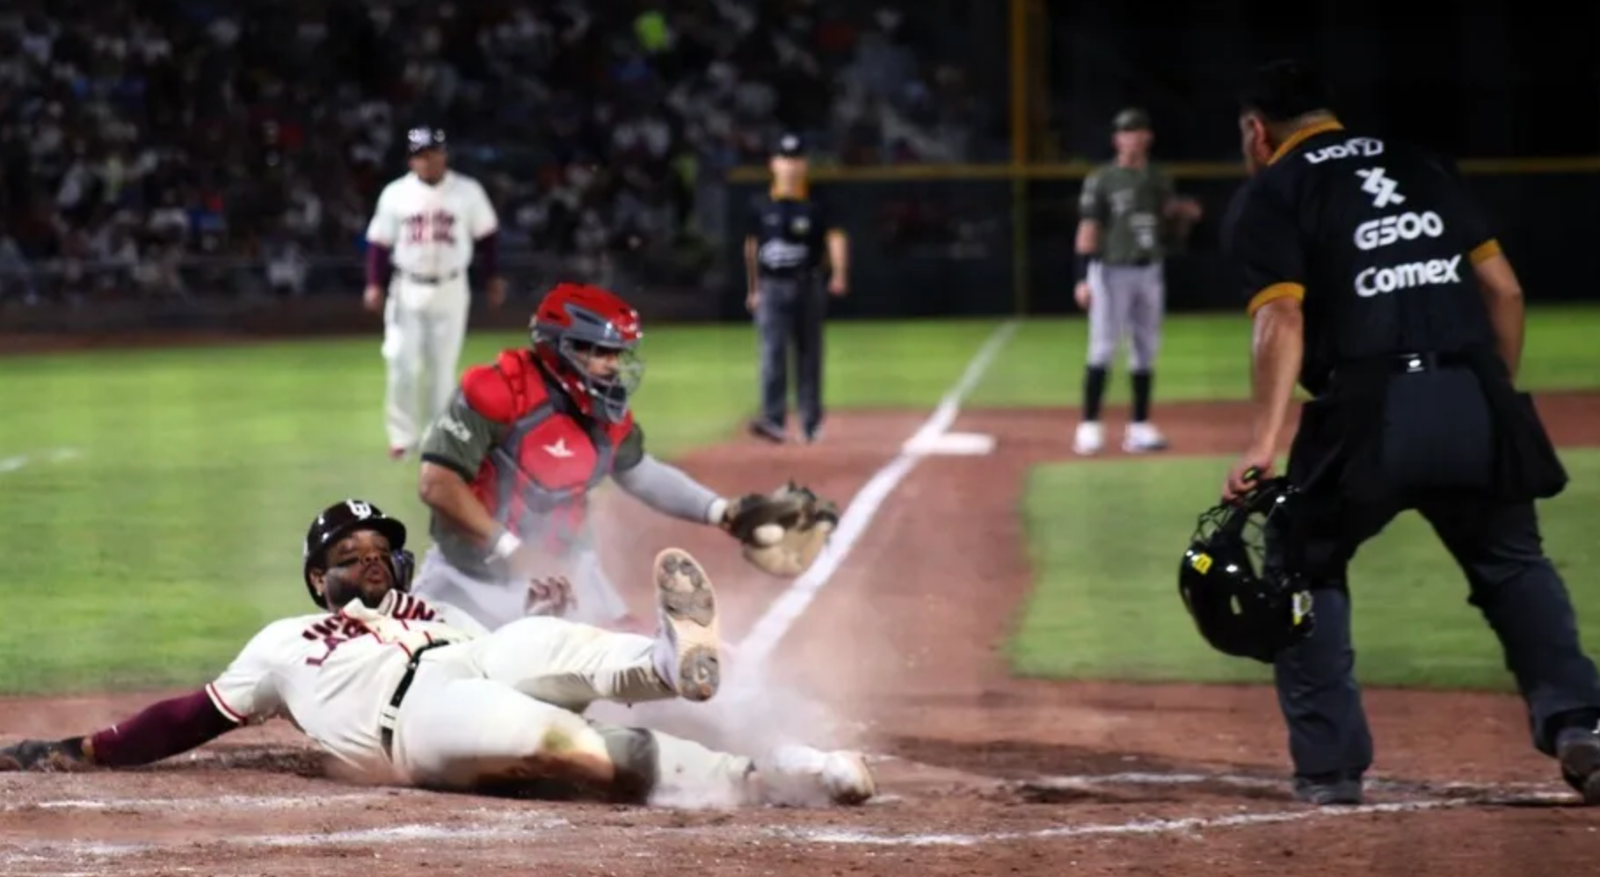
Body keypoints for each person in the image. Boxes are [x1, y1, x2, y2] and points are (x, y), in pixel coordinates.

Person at [1217, 59, 1600, 807]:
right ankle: (1581, 722)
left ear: (1258, 132)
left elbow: (1282, 317)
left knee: (1302, 560)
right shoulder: (1419, 163)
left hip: (1367, 408)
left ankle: (1330, 769)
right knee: (1512, 561)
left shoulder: (1275, 190)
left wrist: (1262, 443)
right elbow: (1504, 290)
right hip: (1473, 389)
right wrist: (1491, 394)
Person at [0, 499, 875, 808]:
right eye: (350, 554)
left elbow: (513, 642)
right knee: (565, 743)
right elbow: (188, 715)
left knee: (547, 642)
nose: (371, 560)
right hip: (417, 718)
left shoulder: (435, 605)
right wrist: (84, 748)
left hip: (479, 655)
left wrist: (542, 608)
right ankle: (766, 779)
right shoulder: (283, 643)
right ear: (316, 578)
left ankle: (668, 662)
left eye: (382, 548)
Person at [412, 280, 839, 633]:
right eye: (602, 352)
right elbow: (437, 484)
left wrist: (721, 512)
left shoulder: (604, 413)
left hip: (568, 578)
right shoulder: (498, 389)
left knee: (643, 682)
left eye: (617, 353)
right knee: (420, 677)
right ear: (562, 348)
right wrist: (515, 551)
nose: (613, 366)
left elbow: (639, 473)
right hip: (466, 580)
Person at [364, 126, 508, 461]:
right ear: (410, 160)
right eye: (419, 155)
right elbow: (379, 243)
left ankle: (437, 436)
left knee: (442, 369)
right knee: (400, 362)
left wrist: (492, 277)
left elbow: (487, 237)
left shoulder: (467, 191)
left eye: (432, 153)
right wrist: (374, 283)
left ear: (444, 155)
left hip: (451, 287)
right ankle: (402, 436)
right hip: (406, 287)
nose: (426, 160)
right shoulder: (395, 194)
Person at [1071, 108, 1202, 456]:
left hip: (1149, 269)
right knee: (1102, 347)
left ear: (1148, 137)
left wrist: (1183, 217)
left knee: (1145, 348)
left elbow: (1170, 231)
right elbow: (1089, 227)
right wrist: (1082, 277)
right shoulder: (1103, 178)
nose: (1133, 138)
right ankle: (1089, 425)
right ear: (1117, 139)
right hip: (1110, 270)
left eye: (1139, 131)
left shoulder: (1158, 178)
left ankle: (1140, 426)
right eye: (1127, 132)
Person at [743, 132, 849, 445]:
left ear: (804, 165)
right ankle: (773, 419)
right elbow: (751, 247)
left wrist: (839, 273)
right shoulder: (761, 203)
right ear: (773, 164)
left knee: (809, 355)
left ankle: (810, 422)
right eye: (785, 159)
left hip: (808, 284)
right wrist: (753, 288)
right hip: (771, 287)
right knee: (772, 353)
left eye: (796, 160)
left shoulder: (817, 201)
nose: (790, 166)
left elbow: (835, 237)